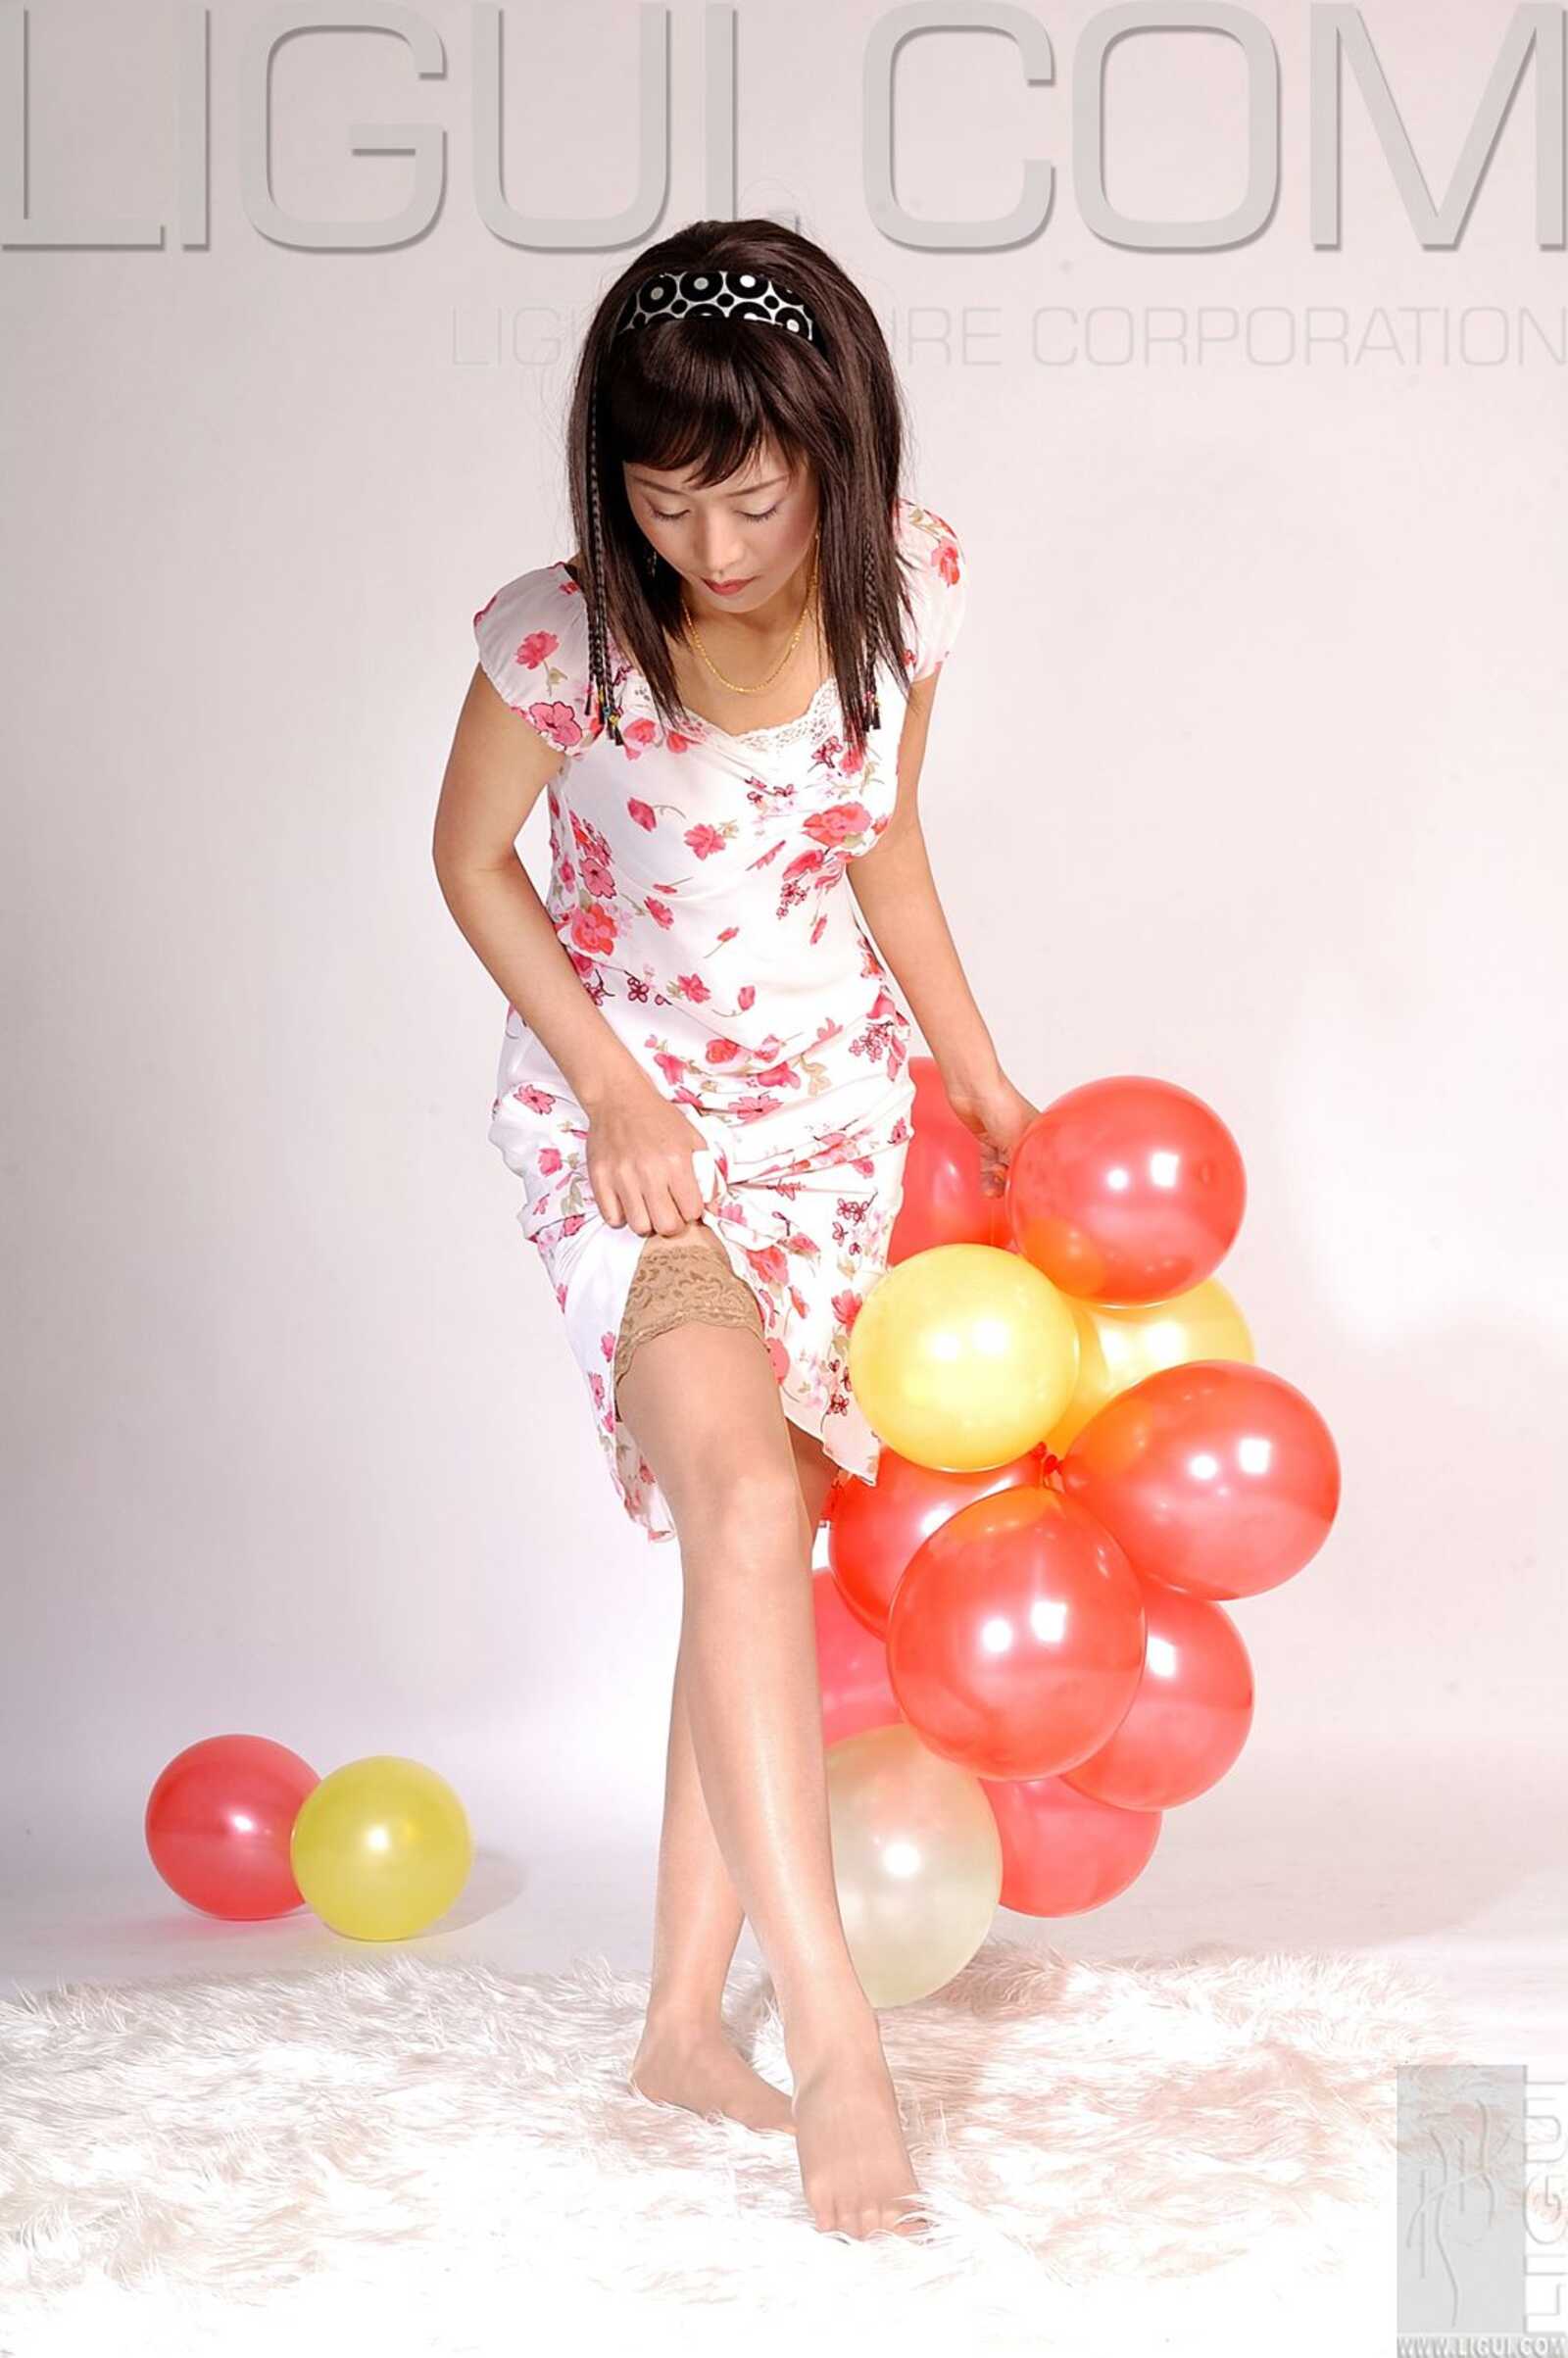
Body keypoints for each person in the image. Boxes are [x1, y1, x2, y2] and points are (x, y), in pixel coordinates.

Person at [432, 221, 1038, 2241]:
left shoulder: (908, 592)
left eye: (754, 499)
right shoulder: (562, 643)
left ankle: (683, 2023)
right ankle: (835, 2044)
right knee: (742, 1504)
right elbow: (470, 857)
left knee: (751, 1547)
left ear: (835, 459)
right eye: (661, 495)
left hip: (829, 1130)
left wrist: (981, 1084)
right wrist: (612, 1089)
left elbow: (886, 849)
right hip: (634, 1140)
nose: (706, 543)